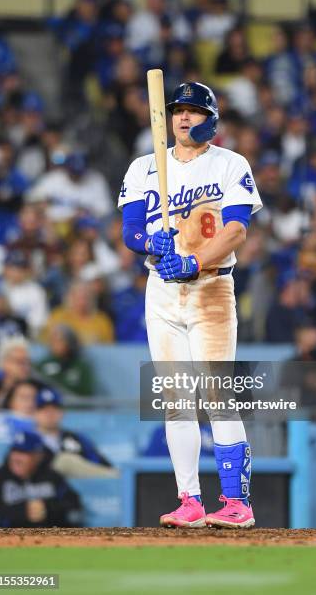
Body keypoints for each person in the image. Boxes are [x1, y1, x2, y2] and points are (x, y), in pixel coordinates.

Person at [119, 81, 263, 528]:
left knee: (218, 395)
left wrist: (194, 258)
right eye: (177, 111)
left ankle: (237, 503)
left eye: (193, 111)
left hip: (210, 287)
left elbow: (237, 230)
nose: (183, 117)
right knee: (176, 399)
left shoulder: (229, 164)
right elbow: (129, 232)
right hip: (161, 290)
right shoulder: (145, 167)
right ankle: (190, 500)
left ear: (211, 119)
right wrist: (151, 242)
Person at [0, 430, 82, 527]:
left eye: (24, 452)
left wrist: (47, 509)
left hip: (49, 539)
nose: (17, 458)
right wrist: (21, 511)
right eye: (14, 451)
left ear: (38, 456)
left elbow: (74, 508)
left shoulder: (52, 477)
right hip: (7, 540)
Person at [34, 386, 117, 478]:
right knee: (65, 461)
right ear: (34, 413)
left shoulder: (77, 438)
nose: (49, 413)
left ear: (62, 412)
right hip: (42, 489)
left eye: (54, 408)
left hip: (83, 489)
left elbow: (100, 463)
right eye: (44, 409)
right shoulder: (28, 440)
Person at [36, 324, 96, 396]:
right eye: (53, 340)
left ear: (70, 342)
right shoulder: (43, 364)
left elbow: (86, 392)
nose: (55, 344)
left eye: (60, 340)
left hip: (75, 405)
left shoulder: (81, 366)